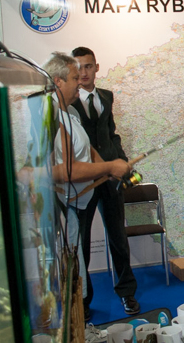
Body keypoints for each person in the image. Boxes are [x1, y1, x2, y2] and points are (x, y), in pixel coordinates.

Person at [42, 53, 131, 321]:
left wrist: (111, 167)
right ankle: (80, 313)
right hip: (65, 207)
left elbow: (90, 146)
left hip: (90, 190)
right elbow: (65, 170)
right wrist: (108, 167)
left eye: (86, 69)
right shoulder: (49, 115)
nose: (79, 81)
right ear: (57, 81)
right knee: (75, 264)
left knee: (113, 239)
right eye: (74, 77)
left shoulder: (70, 112)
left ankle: (111, 299)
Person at [69, 46, 140, 319]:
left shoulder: (106, 97)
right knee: (82, 243)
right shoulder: (67, 103)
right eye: (78, 68)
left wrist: (123, 164)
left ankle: (127, 292)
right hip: (85, 180)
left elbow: (111, 135)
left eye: (88, 66)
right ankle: (83, 301)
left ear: (96, 67)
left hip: (111, 178)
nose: (83, 73)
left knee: (118, 237)